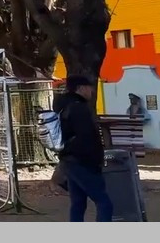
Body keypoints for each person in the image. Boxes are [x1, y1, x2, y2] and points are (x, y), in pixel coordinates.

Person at [55, 75, 113, 222]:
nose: (91, 91)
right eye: (89, 87)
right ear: (80, 88)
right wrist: (95, 163)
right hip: (82, 162)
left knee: (78, 203)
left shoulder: (62, 106)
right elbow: (86, 137)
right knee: (104, 202)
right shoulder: (78, 108)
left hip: (68, 160)